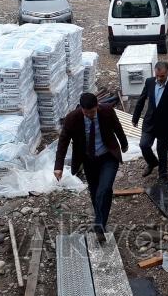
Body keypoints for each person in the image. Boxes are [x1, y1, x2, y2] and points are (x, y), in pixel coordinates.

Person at [54, 93, 128, 242]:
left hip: (108, 157)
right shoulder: (72, 118)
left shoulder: (107, 110)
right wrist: (58, 166)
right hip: (89, 160)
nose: (89, 115)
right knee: (95, 193)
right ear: (81, 108)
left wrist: (124, 143)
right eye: (86, 112)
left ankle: (99, 225)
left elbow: (117, 127)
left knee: (105, 189)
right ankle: (101, 220)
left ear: (97, 106)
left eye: (92, 112)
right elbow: (63, 143)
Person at [132, 61, 168, 180]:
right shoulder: (149, 82)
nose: (159, 78)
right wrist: (135, 117)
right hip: (149, 122)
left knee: (162, 151)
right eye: (157, 75)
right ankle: (152, 162)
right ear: (154, 72)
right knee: (144, 145)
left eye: (162, 76)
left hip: (165, 126)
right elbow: (141, 100)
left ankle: (163, 175)